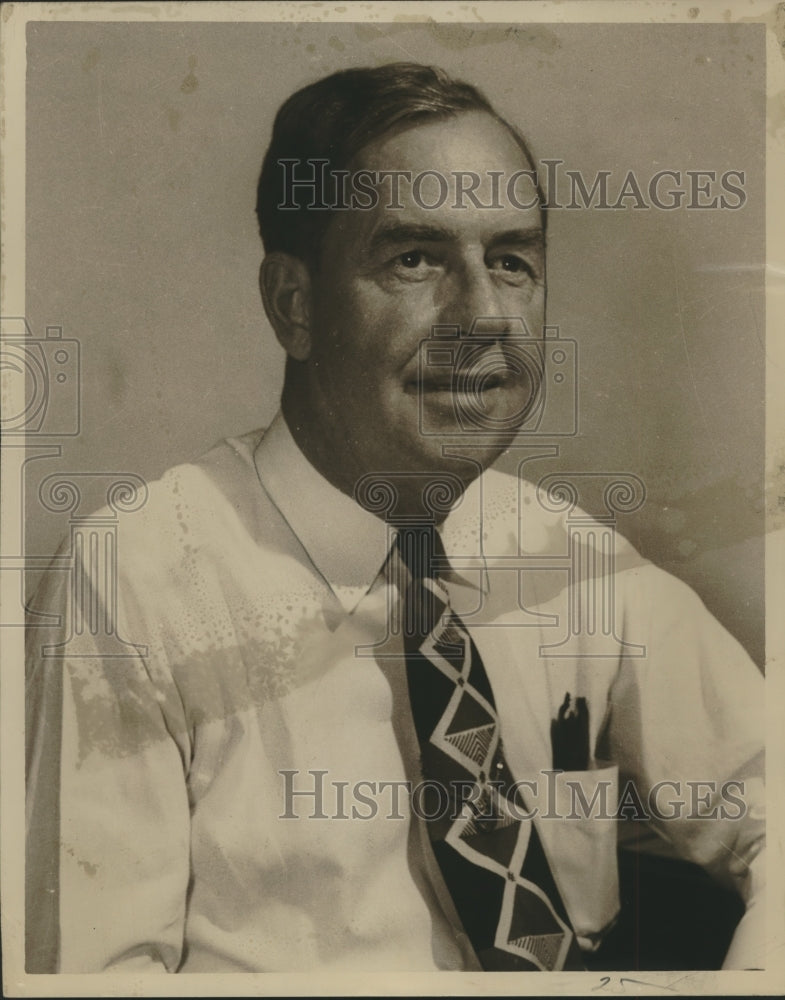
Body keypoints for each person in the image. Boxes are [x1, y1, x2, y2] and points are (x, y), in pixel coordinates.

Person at [25, 62, 764, 974]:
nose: (484, 315)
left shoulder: (573, 558)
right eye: (414, 259)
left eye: (511, 260)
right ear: (294, 304)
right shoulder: (131, 579)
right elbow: (94, 979)